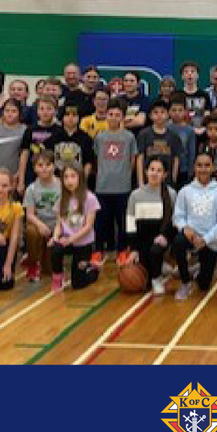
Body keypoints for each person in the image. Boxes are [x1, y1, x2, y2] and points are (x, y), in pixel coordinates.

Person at [171, 151, 217, 300]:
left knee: (204, 286)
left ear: (213, 168)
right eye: (199, 165)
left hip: (209, 241)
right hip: (191, 237)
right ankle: (185, 281)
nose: (203, 169)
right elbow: (177, 217)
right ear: (194, 167)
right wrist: (185, 228)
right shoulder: (185, 191)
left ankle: (199, 268)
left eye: (207, 165)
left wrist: (205, 239)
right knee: (178, 241)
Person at [93, 99, 137, 266]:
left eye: (117, 115)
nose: (113, 117)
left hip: (122, 186)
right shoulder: (100, 137)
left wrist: (126, 175)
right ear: (106, 116)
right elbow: (97, 159)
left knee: (122, 221)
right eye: (110, 114)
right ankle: (98, 251)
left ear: (123, 117)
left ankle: (122, 250)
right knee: (101, 221)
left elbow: (132, 160)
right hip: (102, 186)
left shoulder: (129, 137)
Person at [127, 156, 177, 296]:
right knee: (142, 279)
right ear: (146, 171)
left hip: (161, 239)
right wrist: (133, 249)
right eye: (151, 169)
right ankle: (159, 267)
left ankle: (157, 279)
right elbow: (130, 224)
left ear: (165, 174)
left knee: (155, 251)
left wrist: (166, 236)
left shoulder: (171, 194)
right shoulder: (135, 195)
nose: (154, 173)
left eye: (159, 170)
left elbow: (175, 221)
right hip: (142, 240)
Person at [50, 163, 101, 293]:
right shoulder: (62, 199)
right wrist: (55, 237)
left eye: (73, 176)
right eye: (66, 177)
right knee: (56, 249)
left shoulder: (90, 198)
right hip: (67, 240)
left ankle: (92, 269)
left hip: (82, 242)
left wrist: (71, 239)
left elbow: (88, 226)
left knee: (78, 284)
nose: (69, 181)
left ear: (80, 178)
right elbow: (59, 224)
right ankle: (57, 277)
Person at [22, 151, 62, 284]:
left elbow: (64, 214)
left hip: (58, 225)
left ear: (54, 166)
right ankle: (33, 264)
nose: (44, 168)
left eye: (48, 164)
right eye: (40, 165)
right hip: (40, 224)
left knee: (49, 270)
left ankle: (46, 255)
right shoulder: (31, 189)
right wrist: (40, 225)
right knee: (31, 231)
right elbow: (29, 215)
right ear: (34, 168)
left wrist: (56, 231)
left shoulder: (61, 186)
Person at [17, 96, 65, 194]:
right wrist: (21, 181)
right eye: (41, 108)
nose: (45, 112)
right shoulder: (30, 130)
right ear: (37, 111)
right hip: (32, 176)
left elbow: (61, 158)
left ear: (55, 111)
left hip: (53, 177)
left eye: (49, 108)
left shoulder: (60, 131)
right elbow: (24, 155)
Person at [136, 100, 183, 187]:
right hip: (148, 181)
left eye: (162, 112)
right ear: (150, 116)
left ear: (168, 115)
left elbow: (176, 159)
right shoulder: (144, 134)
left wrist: (173, 180)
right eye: (156, 112)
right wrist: (140, 182)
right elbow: (140, 158)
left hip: (167, 182)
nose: (159, 115)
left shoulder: (174, 136)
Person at [55, 104, 96, 180]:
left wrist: (82, 179)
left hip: (78, 180)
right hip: (58, 180)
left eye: (74, 115)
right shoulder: (54, 137)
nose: (70, 118)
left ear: (79, 117)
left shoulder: (86, 138)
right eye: (67, 115)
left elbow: (88, 163)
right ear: (62, 117)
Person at [179, 62, 212, 127]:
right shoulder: (177, 94)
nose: (189, 74)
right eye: (186, 72)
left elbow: (207, 113)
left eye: (192, 71)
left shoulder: (204, 95)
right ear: (182, 76)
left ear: (197, 75)